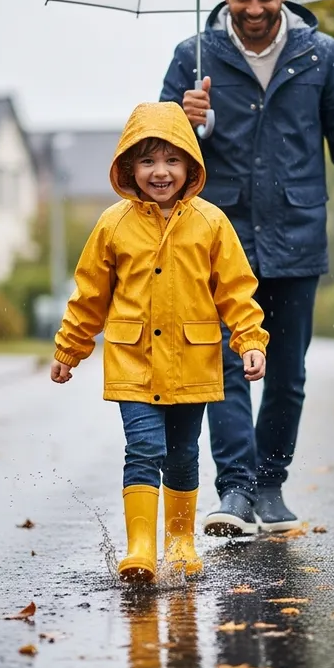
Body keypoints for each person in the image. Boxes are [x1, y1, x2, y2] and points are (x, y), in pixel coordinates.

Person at [160, 0, 334, 536]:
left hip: (297, 237)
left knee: (286, 373)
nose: (254, 9)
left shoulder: (321, 55)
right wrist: (182, 118)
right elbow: (155, 155)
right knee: (228, 368)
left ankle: (270, 482)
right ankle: (234, 491)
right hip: (218, 240)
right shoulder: (194, 57)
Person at [50, 101, 269, 582]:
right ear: (129, 167)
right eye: (147, 161)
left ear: (191, 164)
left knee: (183, 453)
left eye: (172, 160)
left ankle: (180, 540)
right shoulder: (113, 224)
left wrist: (250, 340)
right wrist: (71, 348)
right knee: (143, 448)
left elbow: (235, 289)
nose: (160, 171)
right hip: (133, 360)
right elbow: (90, 293)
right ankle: (141, 548)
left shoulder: (211, 223)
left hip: (193, 361)